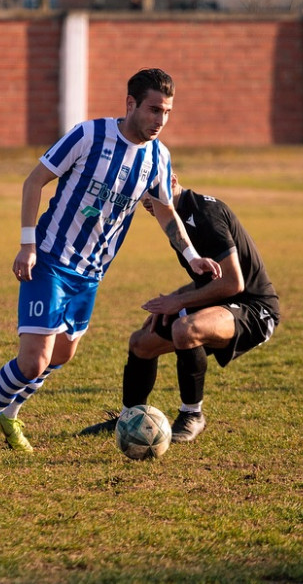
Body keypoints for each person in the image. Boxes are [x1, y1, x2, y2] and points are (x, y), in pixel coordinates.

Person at [0, 68, 222, 459]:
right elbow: (34, 181)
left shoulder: (158, 157)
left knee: (62, 356)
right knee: (33, 362)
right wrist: (27, 245)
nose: (159, 120)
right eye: (153, 110)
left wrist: (191, 255)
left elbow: (165, 212)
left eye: (166, 112)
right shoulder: (89, 136)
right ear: (130, 103)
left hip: (91, 273)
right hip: (49, 259)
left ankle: (10, 413)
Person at [79, 172, 279, 441]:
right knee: (140, 343)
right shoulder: (176, 221)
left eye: (151, 195)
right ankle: (129, 418)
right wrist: (171, 301)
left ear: (172, 180)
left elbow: (233, 283)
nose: (147, 204)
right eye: (143, 198)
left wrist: (179, 302)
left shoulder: (205, 212)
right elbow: (209, 282)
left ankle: (192, 415)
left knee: (186, 329)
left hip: (254, 309)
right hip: (218, 303)